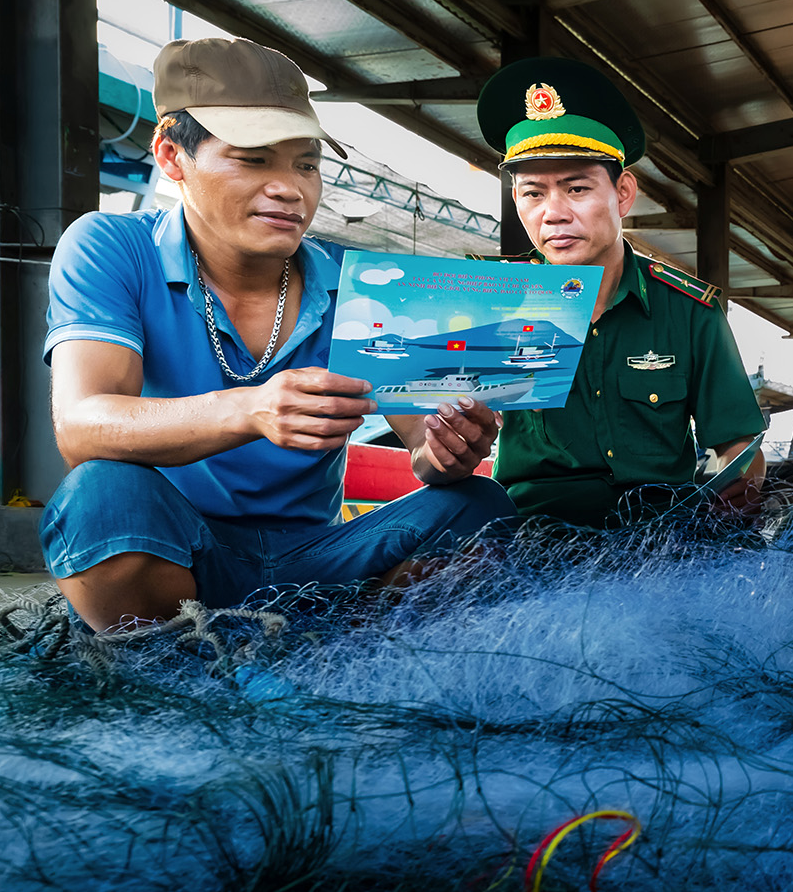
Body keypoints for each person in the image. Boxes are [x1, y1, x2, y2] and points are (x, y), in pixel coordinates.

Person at [41, 38, 514, 631]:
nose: (291, 187)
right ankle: (172, 657)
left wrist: (450, 446)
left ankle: (348, 642)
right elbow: (83, 426)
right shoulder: (110, 248)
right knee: (100, 495)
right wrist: (249, 409)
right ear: (170, 154)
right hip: (182, 551)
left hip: (322, 556)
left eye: (307, 163)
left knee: (481, 508)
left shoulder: (364, 283)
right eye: (254, 158)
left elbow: (424, 451)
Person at [475, 57, 765, 528]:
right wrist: (445, 448)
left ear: (623, 193)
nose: (554, 213)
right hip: (533, 539)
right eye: (533, 193)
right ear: (516, 200)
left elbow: (738, 446)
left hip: (662, 536)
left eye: (576, 188)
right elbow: (434, 457)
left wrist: (730, 516)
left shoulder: (689, 312)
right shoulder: (492, 302)